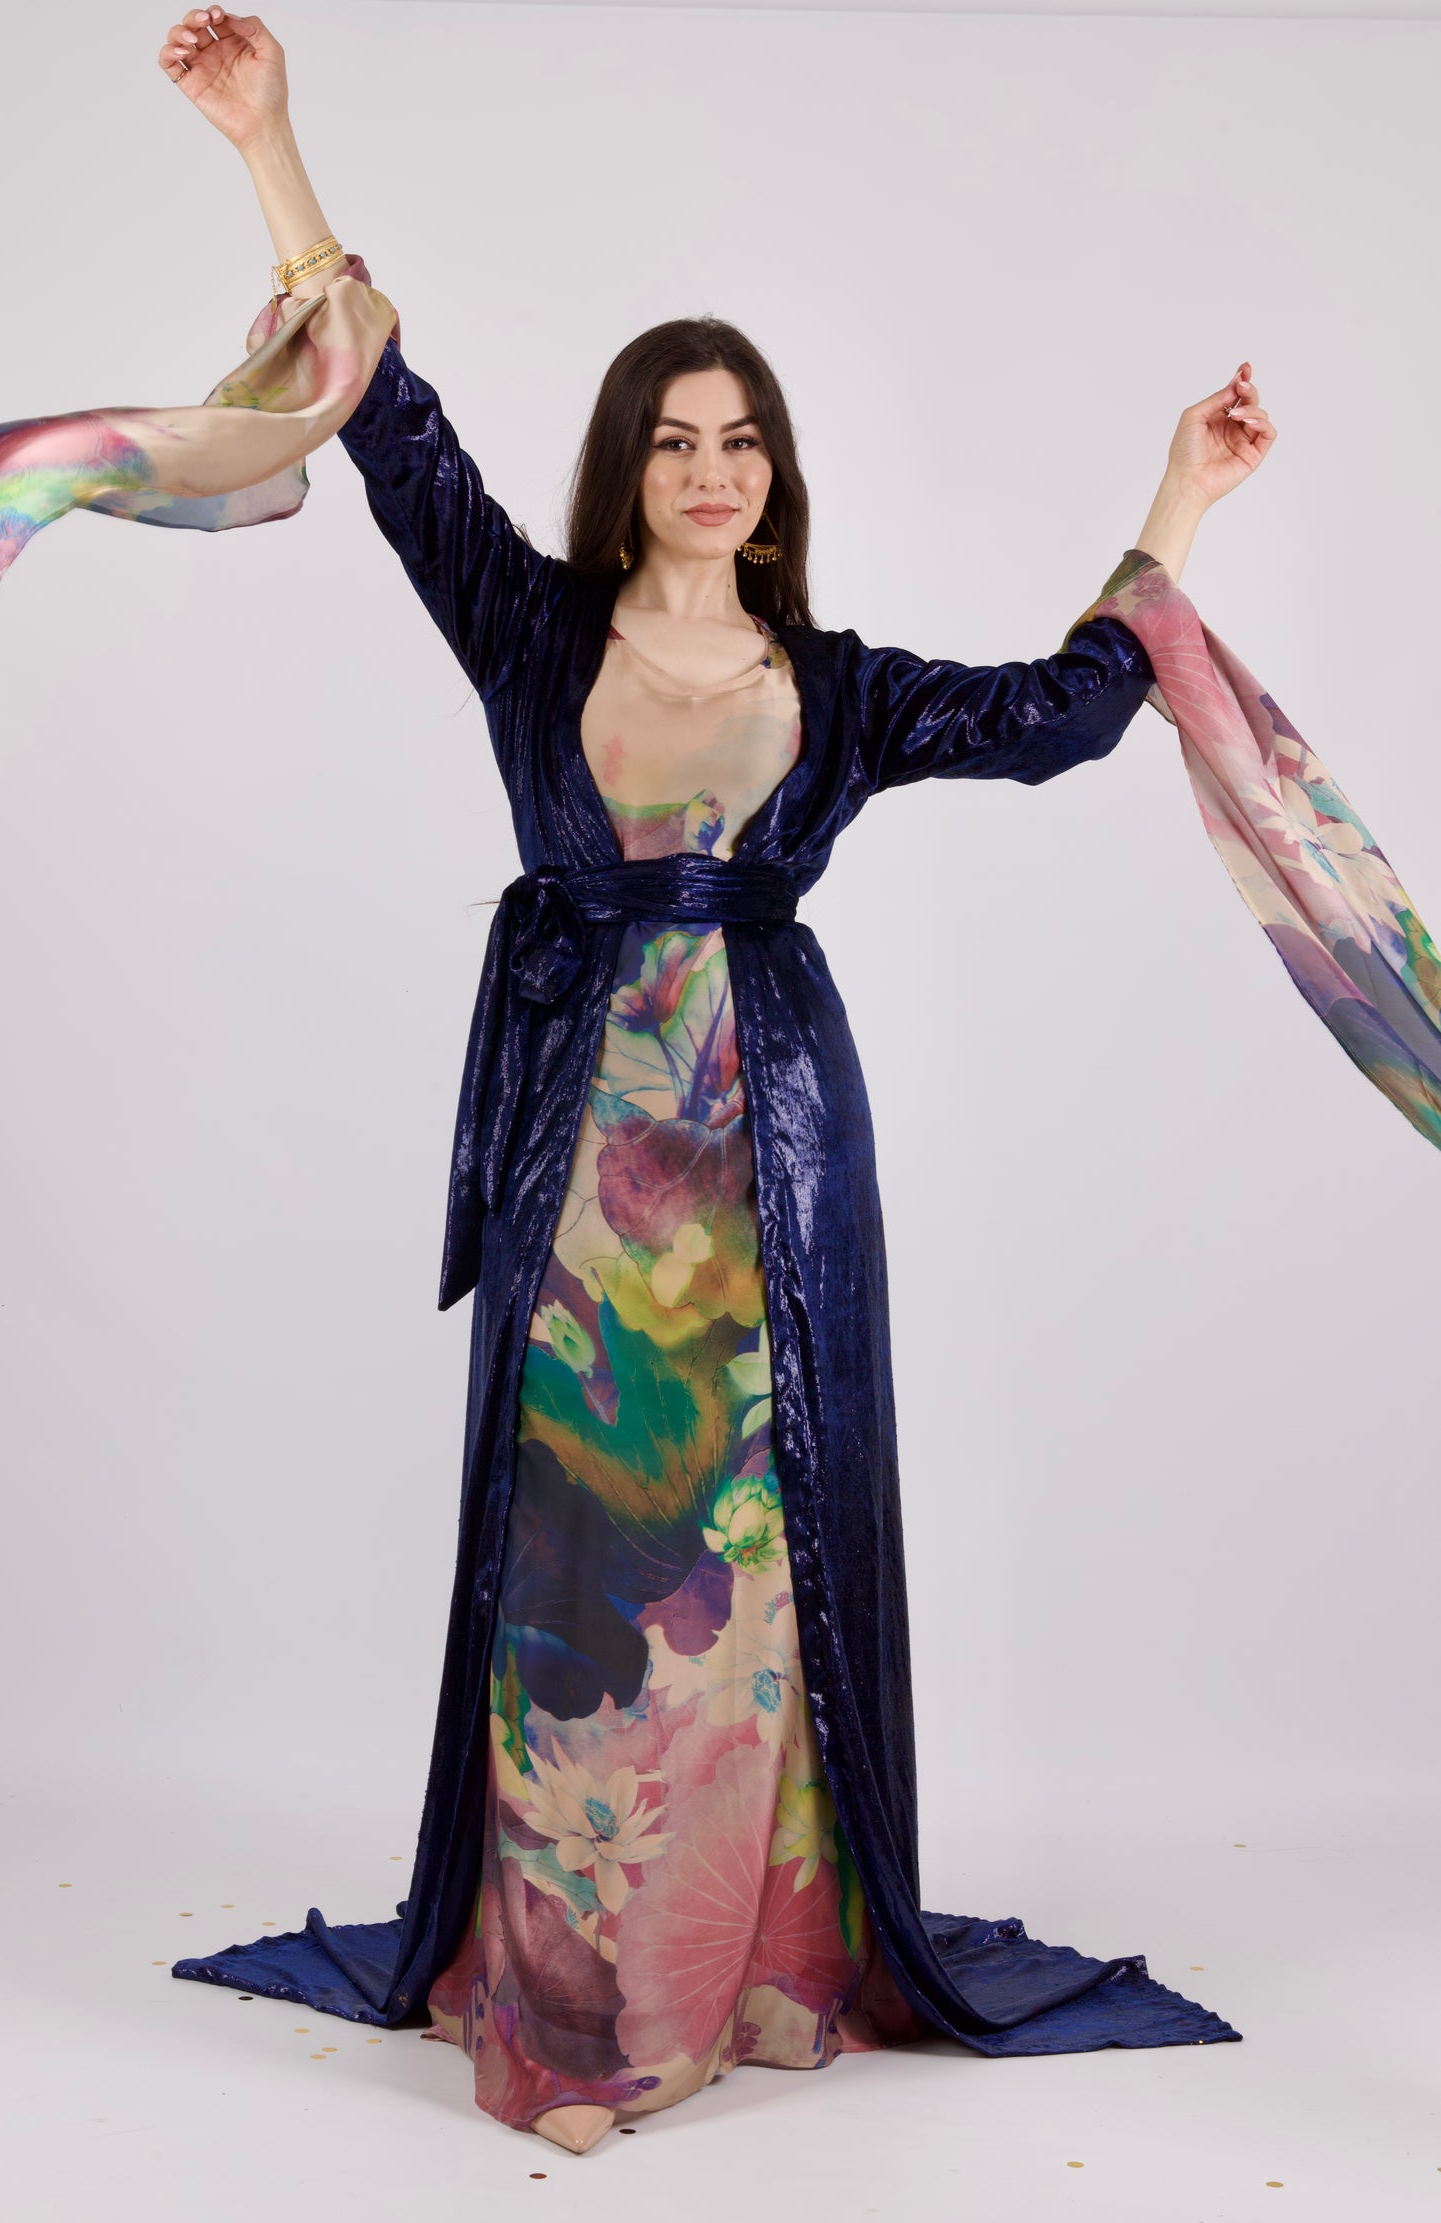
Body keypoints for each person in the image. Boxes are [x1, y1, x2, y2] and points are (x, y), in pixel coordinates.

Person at [148, 2, 1282, 2160]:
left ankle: (753, 1969)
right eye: (673, 437)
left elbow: (1055, 715)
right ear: (632, 468)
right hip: (578, 1168)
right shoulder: (533, 627)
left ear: (775, 476)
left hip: (777, 1161)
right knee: (581, 1573)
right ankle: (575, 2019)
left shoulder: (832, 690)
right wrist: (268, 146)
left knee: (757, 1576)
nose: (708, 467)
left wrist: (1179, 501)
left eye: (740, 438)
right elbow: (393, 425)